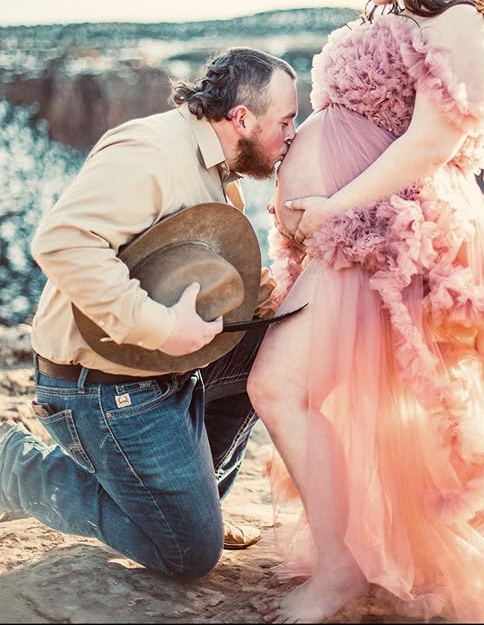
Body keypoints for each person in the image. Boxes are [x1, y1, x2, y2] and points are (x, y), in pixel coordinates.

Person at [247, 0, 484, 623]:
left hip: (386, 237)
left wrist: (329, 208)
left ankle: (343, 574)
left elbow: (426, 144)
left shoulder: (462, 23)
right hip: (347, 238)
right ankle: (351, 560)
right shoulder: (401, 15)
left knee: (282, 387)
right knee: (319, 400)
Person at [0, 46, 299, 578]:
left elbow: (200, 259)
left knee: (277, 345)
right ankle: (12, 464)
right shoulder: (152, 153)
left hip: (163, 369)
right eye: (286, 120)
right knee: (188, 553)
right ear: (242, 118)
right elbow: (62, 241)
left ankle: (190, 499)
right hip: (102, 385)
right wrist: (161, 327)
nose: (292, 134)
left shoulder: (212, 160)